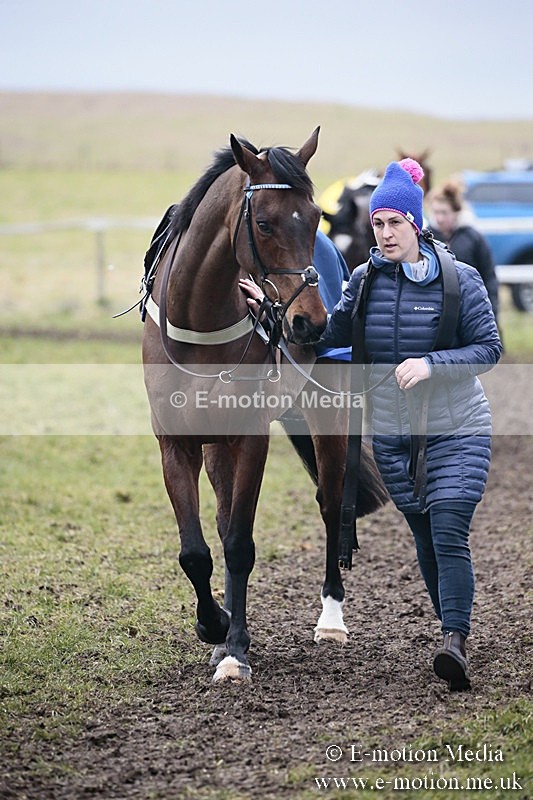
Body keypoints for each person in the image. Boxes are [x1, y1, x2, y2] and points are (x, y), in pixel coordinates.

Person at [240, 158, 503, 692]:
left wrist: (433, 364)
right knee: (425, 538)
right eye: (378, 224)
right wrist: (272, 312)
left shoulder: (461, 279)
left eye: (394, 224)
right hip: (393, 435)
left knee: (449, 530)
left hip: (457, 427)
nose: (384, 234)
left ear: (416, 225)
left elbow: (489, 348)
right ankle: (450, 622)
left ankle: (454, 640)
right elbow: (327, 335)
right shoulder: (362, 281)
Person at [428, 179, 500, 326]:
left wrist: (491, 313)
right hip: (436, 312)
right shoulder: (427, 238)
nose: (439, 218)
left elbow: (488, 277)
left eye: (444, 212)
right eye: (436, 212)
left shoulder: (473, 237)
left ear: (456, 212)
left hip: (471, 308)